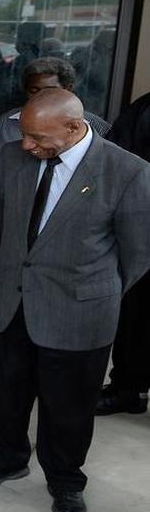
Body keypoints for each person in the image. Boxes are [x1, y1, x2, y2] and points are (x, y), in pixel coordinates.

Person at [0, 89, 150, 512]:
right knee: (0, 394)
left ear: (72, 126)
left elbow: (138, 255)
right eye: (24, 135)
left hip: (79, 310)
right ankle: (5, 458)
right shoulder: (12, 159)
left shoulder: (127, 171)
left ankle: (65, 480)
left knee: (69, 407)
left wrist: (94, 290)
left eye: (37, 137)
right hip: (11, 299)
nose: (27, 145)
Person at [0, 57, 111, 376]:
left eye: (45, 90)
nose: (27, 145)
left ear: (68, 91)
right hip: (5, 219)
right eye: (31, 91)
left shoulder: (101, 134)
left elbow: (133, 254)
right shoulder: (6, 122)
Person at [95, 90, 150, 416]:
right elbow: (114, 156)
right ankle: (128, 388)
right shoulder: (145, 109)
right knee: (136, 317)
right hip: (144, 227)